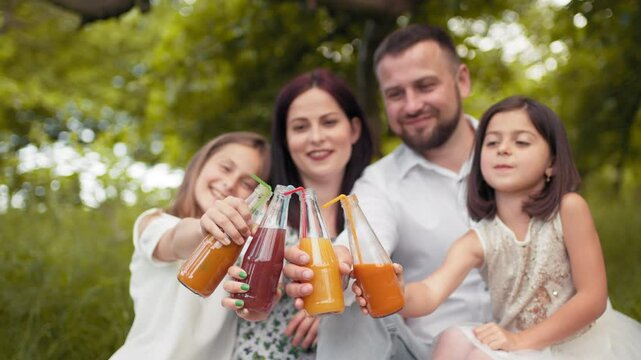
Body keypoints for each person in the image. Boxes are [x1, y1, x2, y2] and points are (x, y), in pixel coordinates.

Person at [355, 95, 641, 359]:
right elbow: (430, 293)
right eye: (492, 143)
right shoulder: (478, 239)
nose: (503, 149)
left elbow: (593, 299)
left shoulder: (568, 209)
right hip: (517, 344)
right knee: (451, 341)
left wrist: (521, 341)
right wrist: (397, 292)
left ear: (552, 163)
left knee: (481, 356)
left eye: (522, 142)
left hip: (578, 344)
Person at [284, 24, 492, 359]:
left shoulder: (521, 150)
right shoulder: (380, 182)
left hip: (533, 340)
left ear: (462, 80)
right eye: (395, 94)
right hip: (428, 350)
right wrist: (336, 265)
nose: (412, 105)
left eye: (425, 86)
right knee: (347, 311)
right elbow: (358, 237)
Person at [208, 68, 374, 359]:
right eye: (300, 127)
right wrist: (248, 304)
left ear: (354, 130)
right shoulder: (265, 216)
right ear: (284, 139)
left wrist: (335, 297)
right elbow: (247, 303)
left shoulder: (376, 206)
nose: (316, 137)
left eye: (329, 122)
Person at [110, 132, 271, 360]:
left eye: (247, 183)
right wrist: (203, 229)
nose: (229, 184)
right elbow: (175, 240)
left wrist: (261, 303)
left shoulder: (245, 255)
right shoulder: (154, 222)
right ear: (200, 163)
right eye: (225, 168)